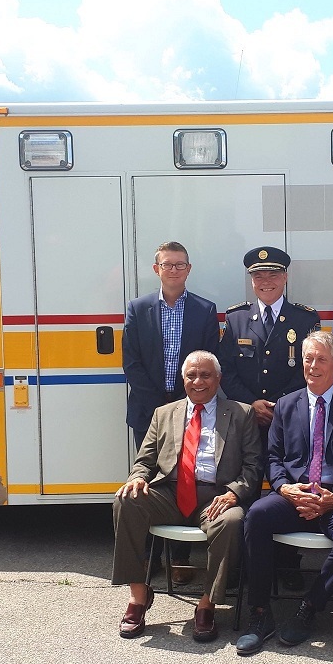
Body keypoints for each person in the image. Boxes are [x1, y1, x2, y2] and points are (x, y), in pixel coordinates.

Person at [236, 331, 333, 656]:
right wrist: (284, 487)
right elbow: (272, 457)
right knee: (255, 516)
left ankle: (310, 606)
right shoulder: (287, 405)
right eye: (308, 359)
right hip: (294, 494)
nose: (313, 366)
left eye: (321, 359)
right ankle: (259, 614)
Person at [112, 351, 261, 643]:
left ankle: (206, 604)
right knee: (125, 500)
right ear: (183, 380)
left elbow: (254, 467)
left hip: (215, 497)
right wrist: (139, 478)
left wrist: (234, 492)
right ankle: (139, 597)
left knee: (232, 521)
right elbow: (145, 460)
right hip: (170, 493)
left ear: (218, 379)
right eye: (192, 375)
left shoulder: (241, 413)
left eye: (206, 375)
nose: (198, 381)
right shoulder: (164, 413)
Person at [218, 245, 321, 589]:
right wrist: (252, 404)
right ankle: (242, 562)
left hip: (289, 419)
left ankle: (288, 562)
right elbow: (226, 371)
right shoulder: (235, 318)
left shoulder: (305, 319)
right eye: (258, 275)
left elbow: (308, 370)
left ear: (286, 277)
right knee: (243, 486)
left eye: (273, 274)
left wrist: (279, 405)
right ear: (251, 281)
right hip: (247, 420)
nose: (265, 280)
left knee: (289, 484)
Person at [122, 241, 220, 582]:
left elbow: (207, 365)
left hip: (189, 410)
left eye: (180, 265)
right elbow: (131, 363)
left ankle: (179, 557)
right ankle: (150, 557)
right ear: (157, 269)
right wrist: (161, 408)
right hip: (148, 411)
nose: (174, 270)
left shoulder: (205, 310)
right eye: (168, 265)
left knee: (184, 478)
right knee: (147, 480)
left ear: (189, 270)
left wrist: (182, 404)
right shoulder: (138, 308)